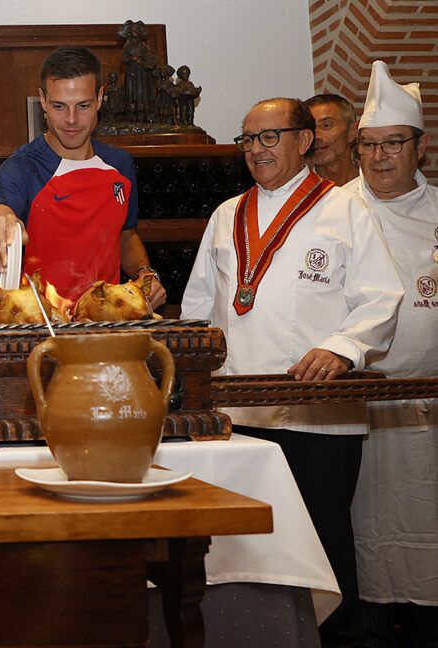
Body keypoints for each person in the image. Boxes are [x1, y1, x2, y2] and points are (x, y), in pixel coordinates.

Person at [180, 97, 402, 647]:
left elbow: (381, 296)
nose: (256, 149)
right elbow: (198, 309)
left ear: (304, 140)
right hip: (236, 417)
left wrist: (344, 348)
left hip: (318, 416)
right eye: (247, 139)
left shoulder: (346, 210)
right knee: (247, 551)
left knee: (323, 549)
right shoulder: (225, 214)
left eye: (269, 137)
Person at [343, 61, 438, 647]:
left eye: (392, 144)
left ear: (420, 147)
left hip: (431, 408)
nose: (379, 157)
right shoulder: (333, 209)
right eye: (368, 145)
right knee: (364, 533)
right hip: (358, 409)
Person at [0, 45, 166, 310]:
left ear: (100, 98)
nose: (72, 119)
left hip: (104, 326)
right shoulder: (22, 167)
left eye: (83, 106)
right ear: (42, 100)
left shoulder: (120, 165)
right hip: (39, 329)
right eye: (59, 106)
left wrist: (145, 273)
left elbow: (124, 236)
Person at [305, 93, 359, 186]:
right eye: (310, 128)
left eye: (326, 125)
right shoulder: (300, 193)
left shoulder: (377, 186)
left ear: (352, 131)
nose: (316, 136)